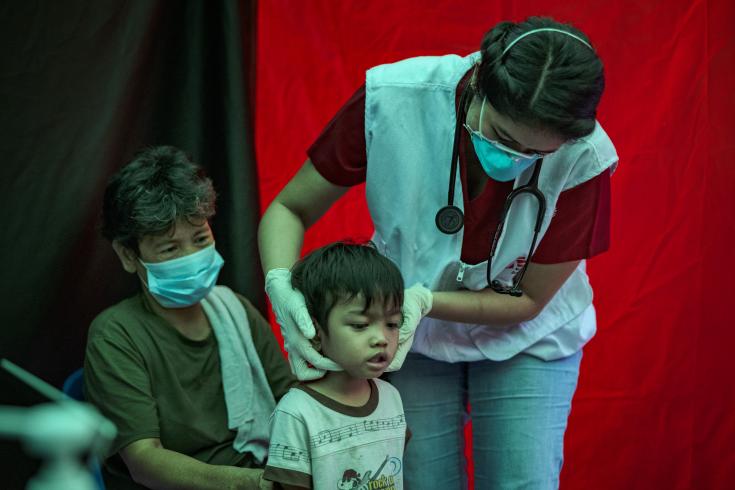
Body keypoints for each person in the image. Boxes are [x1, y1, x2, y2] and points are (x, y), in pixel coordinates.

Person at [258, 15, 618, 490]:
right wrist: (279, 284)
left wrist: (422, 299)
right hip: (410, 338)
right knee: (421, 481)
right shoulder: (394, 98)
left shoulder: (586, 157)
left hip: (529, 337)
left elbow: (527, 302)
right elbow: (290, 207)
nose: (514, 160)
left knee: (522, 481)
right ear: (480, 86)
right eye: (505, 137)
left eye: (537, 154)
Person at [84, 146, 294, 490]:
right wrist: (257, 484)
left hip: (265, 469)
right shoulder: (116, 335)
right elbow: (144, 461)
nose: (191, 257)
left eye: (200, 239)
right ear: (128, 255)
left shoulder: (235, 310)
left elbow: (290, 400)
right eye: (170, 249)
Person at [263, 242, 412, 490]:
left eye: (392, 323)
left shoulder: (391, 397)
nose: (381, 338)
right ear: (315, 331)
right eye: (360, 325)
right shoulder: (297, 413)